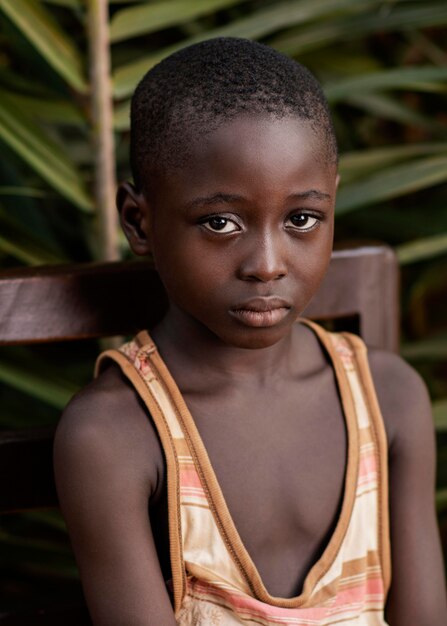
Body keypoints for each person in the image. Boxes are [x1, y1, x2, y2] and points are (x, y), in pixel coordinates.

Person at [54, 38, 447, 626]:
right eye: (220, 222)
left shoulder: (388, 397)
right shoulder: (116, 436)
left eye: (302, 219)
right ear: (139, 220)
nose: (267, 263)